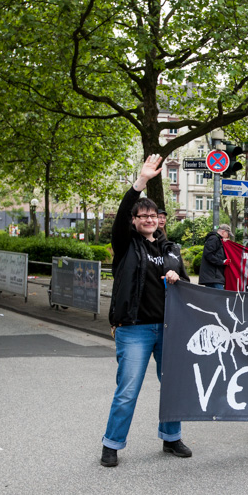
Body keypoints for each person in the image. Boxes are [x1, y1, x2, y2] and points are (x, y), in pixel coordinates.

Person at [100, 155, 193, 468]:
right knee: (128, 390)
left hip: (168, 329)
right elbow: (123, 213)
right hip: (134, 328)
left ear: (160, 220)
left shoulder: (171, 249)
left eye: (154, 216)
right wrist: (141, 182)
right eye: (143, 216)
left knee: (172, 386)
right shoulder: (126, 244)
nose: (149, 220)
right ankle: (112, 444)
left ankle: (171, 437)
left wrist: (178, 278)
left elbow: (186, 288)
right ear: (134, 220)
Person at [200, 224, 232, 289]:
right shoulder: (214, 239)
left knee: (213, 294)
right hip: (213, 276)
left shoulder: (216, 239)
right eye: (228, 234)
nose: (228, 236)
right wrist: (222, 262)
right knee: (219, 294)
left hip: (213, 276)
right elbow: (208, 255)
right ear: (223, 232)